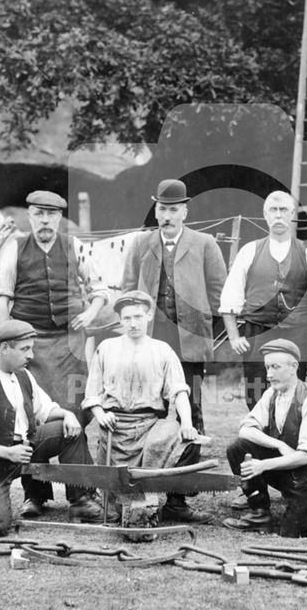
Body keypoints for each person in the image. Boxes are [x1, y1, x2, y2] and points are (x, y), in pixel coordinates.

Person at [0, 189, 109, 518]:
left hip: (71, 345)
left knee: (75, 414)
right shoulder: (14, 248)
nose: (45, 221)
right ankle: (36, 495)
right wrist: (8, 339)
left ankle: (82, 494)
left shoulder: (75, 245)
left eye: (52, 215)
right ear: (29, 216)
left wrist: (90, 313)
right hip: (31, 347)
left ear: (59, 218)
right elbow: (1, 296)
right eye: (39, 214)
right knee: (29, 419)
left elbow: (98, 289)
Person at [0, 320, 107, 538]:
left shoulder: (23, 375)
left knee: (70, 429)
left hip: (22, 452)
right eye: (25, 349)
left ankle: (81, 499)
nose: (31, 355)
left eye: (31, 348)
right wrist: (7, 452)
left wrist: (68, 414)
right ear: (4, 348)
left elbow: (45, 410)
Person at [83, 290, 212, 524]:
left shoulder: (162, 350)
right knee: (116, 509)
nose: (133, 324)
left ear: (149, 315)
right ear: (120, 320)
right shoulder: (106, 348)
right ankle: (116, 503)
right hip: (115, 428)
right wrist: (100, 414)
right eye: (127, 318)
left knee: (182, 436)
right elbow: (92, 395)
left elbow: (179, 391)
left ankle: (175, 503)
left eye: (138, 317)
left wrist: (188, 424)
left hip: (149, 426)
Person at [121, 179, 227, 435]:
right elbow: (128, 289)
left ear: (184, 212)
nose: (167, 216)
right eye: (162, 210)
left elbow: (218, 292)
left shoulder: (204, 243)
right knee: (150, 393)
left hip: (190, 333)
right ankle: (148, 443)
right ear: (156, 211)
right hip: (152, 332)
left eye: (173, 210)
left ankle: (191, 441)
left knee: (189, 394)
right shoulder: (140, 244)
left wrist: (205, 326)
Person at [223, 339, 307, 537]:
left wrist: (262, 465)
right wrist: (278, 444)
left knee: (291, 532)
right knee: (238, 448)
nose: (269, 374)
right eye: (267, 367)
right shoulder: (272, 394)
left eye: (275, 367)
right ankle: (259, 513)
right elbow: (245, 429)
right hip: (288, 472)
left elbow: (306, 457)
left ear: (293, 367)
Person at [220, 191, 307, 410]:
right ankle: (261, 441)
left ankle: (288, 440)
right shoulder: (249, 251)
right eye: (273, 210)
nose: (278, 216)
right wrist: (233, 337)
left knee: (294, 396)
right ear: (265, 215)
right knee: (256, 394)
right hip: (257, 334)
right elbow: (230, 296)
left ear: (292, 214)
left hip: (297, 334)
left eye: (284, 210)